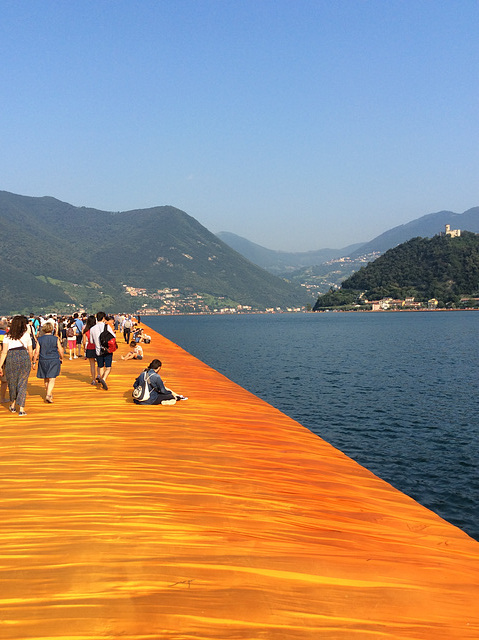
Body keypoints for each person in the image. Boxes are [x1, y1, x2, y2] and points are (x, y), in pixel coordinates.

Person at [0, 315, 33, 416]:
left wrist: (0, 365)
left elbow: (4, 352)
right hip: (24, 357)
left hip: (11, 358)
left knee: (12, 383)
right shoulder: (26, 335)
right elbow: (30, 351)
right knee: (22, 383)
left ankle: (13, 405)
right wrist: (31, 361)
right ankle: (22, 409)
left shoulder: (7, 336)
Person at [32, 321, 64, 403]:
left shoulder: (40, 339)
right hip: (53, 359)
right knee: (52, 378)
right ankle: (48, 394)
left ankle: (48, 393)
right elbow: (60, 350)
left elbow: (36, 352)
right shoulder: (55, 338)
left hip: (43, 360)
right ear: (52, 329)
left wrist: (34, 362)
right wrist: (61, 357)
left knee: (46, 378)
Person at [89, 311, 116, 390]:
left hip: (98, 350)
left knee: (100, 366)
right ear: (103, 318)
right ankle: (103, 379)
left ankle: (101, 379)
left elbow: (91, 341)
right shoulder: (107, 327)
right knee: (108, 367)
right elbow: (113, 336)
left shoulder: (92, 328)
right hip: (107, 350)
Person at [82, 315, 98, 385]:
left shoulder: (86, 330)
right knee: (100, 364)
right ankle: (100, 376)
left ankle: (93, 379)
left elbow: (84, 341)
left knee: (92, 365)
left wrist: (84, 348)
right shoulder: (96, 329)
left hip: (89, 347)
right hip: (97, 347)